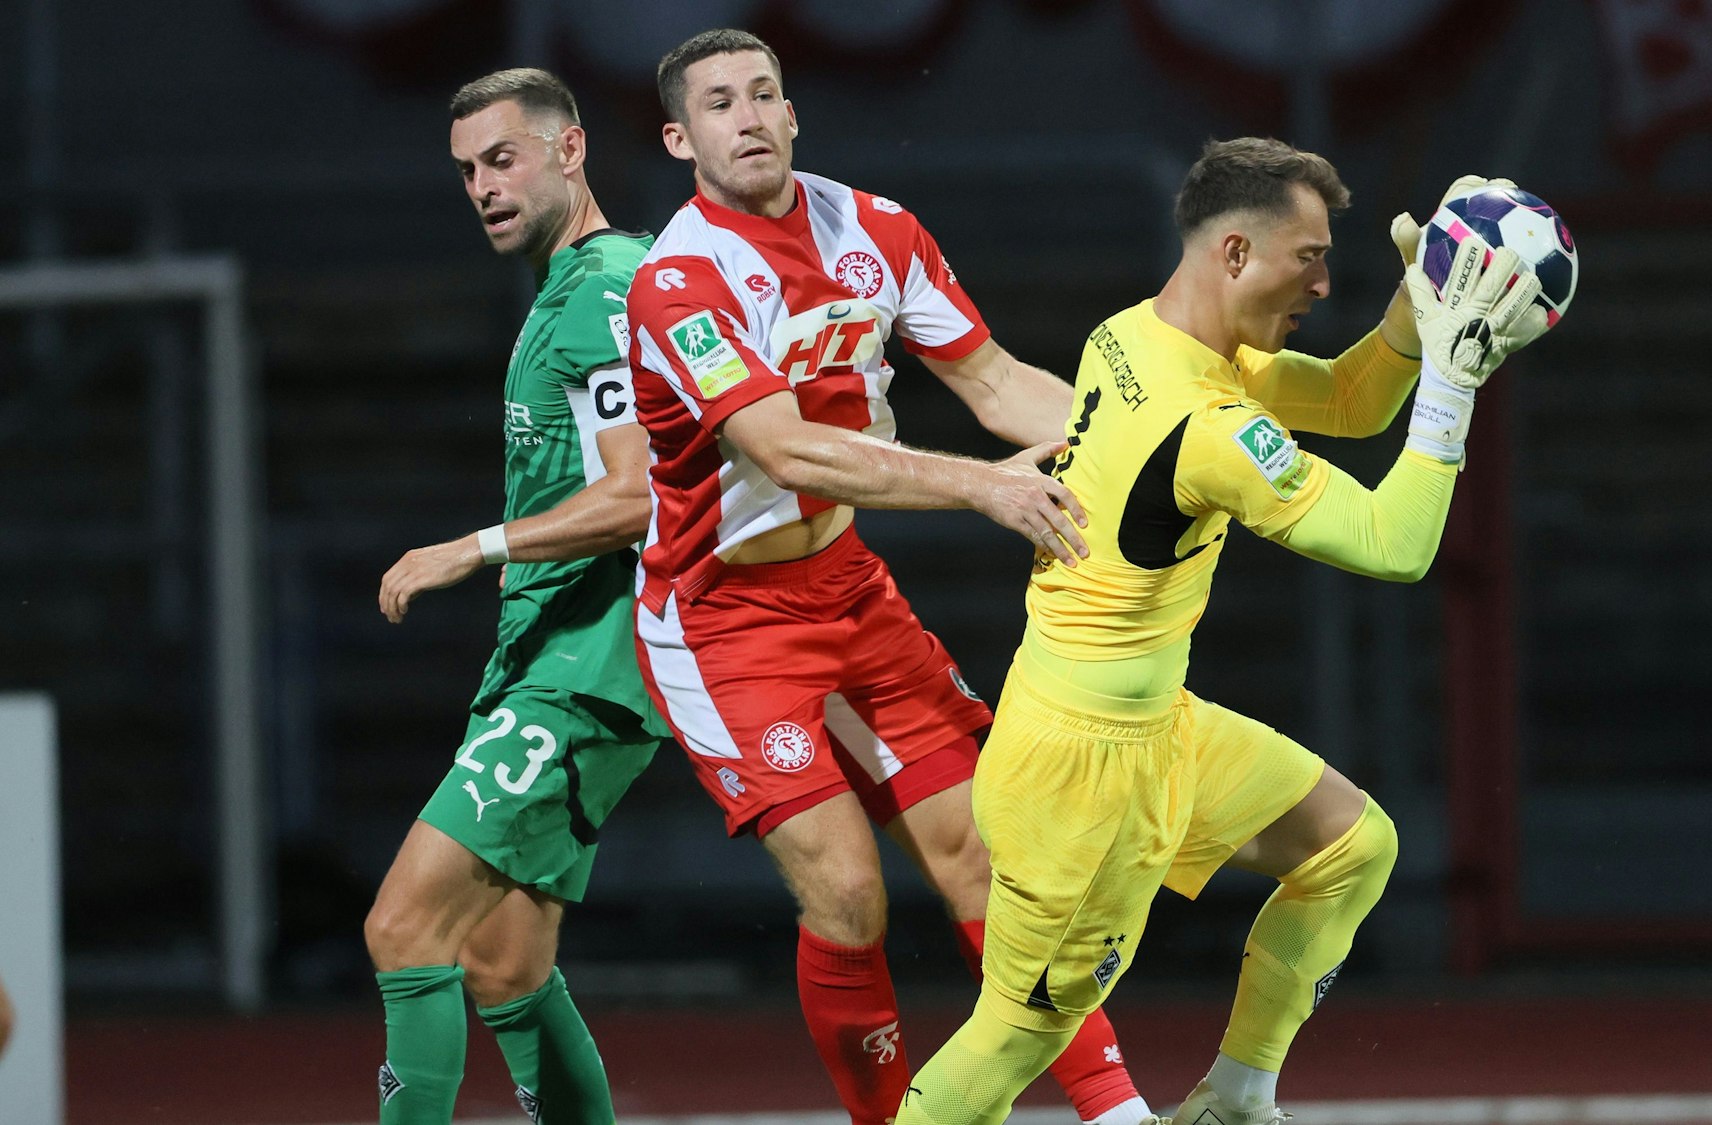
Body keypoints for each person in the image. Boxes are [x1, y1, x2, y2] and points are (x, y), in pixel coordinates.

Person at [893, 140, 1552, 1125]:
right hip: (1079, 772)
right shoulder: (1202, 423)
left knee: (1351, 845)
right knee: (1014, 1033)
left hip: (1149, 721)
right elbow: (1394, 544)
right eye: (1308, 259)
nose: (1323, 284)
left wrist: (1414, 316)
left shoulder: (1131, 335)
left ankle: (1233, 1099)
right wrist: (1453, 381)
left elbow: (1343, 398)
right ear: (1235, 254)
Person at [622, 28, 1150, 1125]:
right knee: (850, 897)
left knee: (984, 861)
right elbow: (784, 450)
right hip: (721, 623)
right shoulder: (677, 281)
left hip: (848, 589)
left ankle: (1119, 1114)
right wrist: (980, 490)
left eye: (765, 93)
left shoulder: (877, 227)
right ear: (680, 137)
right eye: (720, 103)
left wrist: (1165, 442)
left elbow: (998, 385)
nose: (751, 116)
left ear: (794, 111)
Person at [364, 67, 670, 1125]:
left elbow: (639, 495)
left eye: (503, 159)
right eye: (466, 172)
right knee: (502, 964)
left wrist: (473, 547)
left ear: (571, 150)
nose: (483, 187)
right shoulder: (575, 286)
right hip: (559, 662)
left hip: (586, 672)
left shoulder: (598, 288)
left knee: (404, 926)